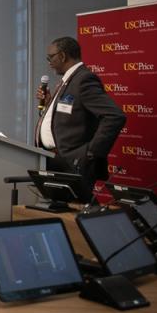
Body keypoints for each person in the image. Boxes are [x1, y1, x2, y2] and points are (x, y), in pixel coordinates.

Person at [35, 36, 126, 199]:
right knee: (58, 211)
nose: (49, 62)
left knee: (72, 215)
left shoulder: (83, 79)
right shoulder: (67, 80)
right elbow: (68, 115)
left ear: (62, 56)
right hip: (54, 159)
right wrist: (49, 104)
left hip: (73, 162)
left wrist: (91, 153)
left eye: (50, 57)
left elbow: (115, 116)